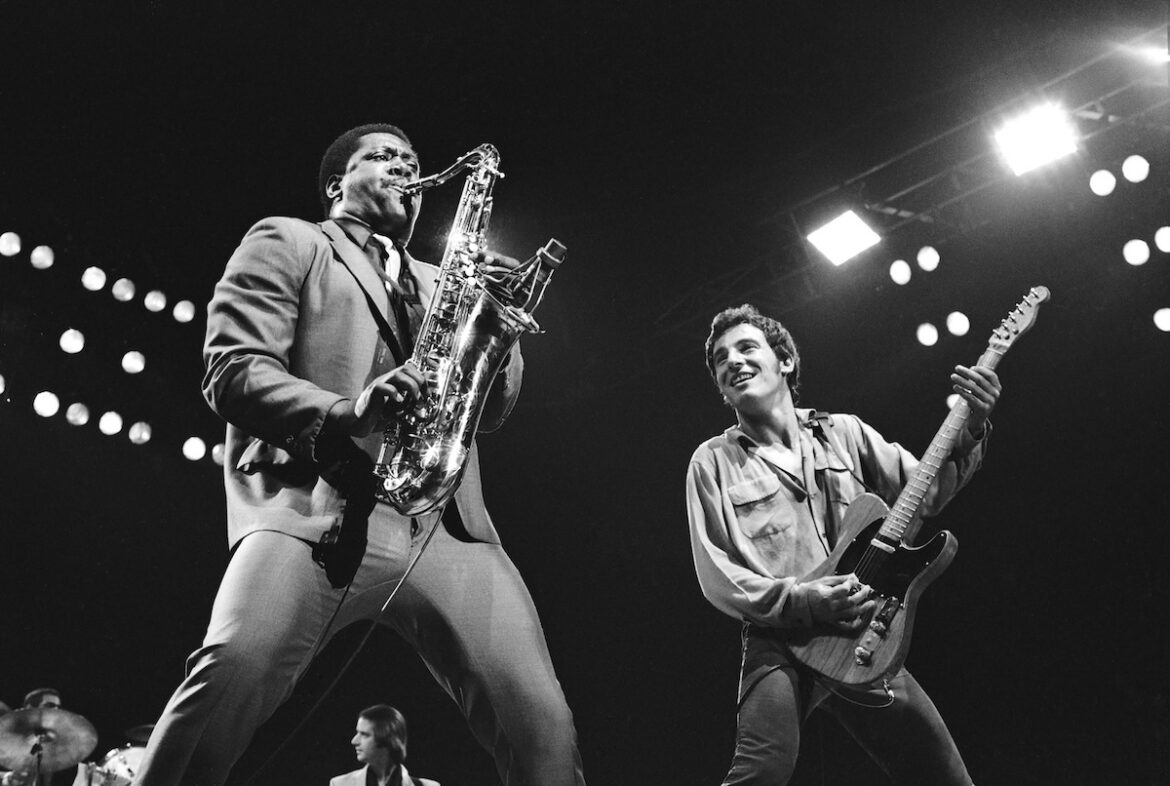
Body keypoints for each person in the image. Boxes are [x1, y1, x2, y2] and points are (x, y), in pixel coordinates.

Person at [131, 124, 584, 786]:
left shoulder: (441, 281)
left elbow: (488, 411)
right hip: (319, 509)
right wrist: (350, 411)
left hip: (445, 526)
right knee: (232, 673)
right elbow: (231, 372)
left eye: (413, 161)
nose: (404, 167)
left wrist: (500, 331)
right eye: (383, 156)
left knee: (543, 726)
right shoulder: (290, 240)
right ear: (337, 184)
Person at [686, 304, 1001, 785]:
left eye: (747, 347)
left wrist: (973, 426)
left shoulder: (845, 433)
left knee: (946, 778)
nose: (733, 361)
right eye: (721, 359)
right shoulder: (712, 461)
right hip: (781, 641)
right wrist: (800, 598)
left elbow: (929, 492)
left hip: (862, 633)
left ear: (784, 361)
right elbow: (717, 572)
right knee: (761, 773)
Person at [330, 705, 438, 786]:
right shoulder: (339, 784)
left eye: (364, 734)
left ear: (387, 739)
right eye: (357, 733)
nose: (354, 741)